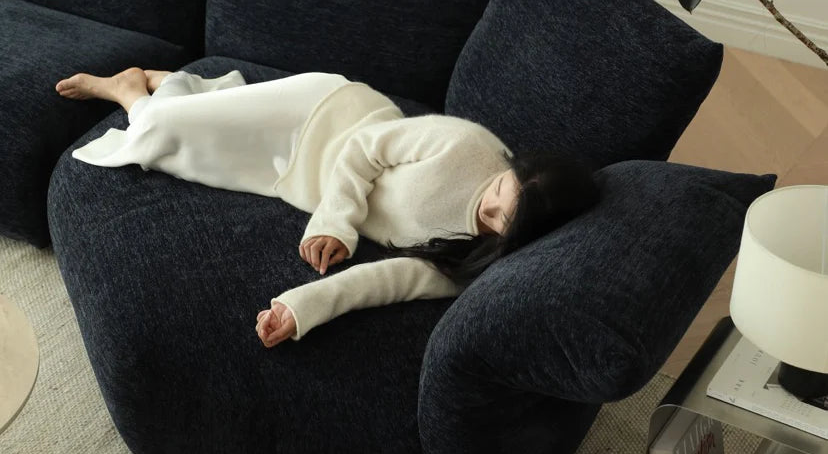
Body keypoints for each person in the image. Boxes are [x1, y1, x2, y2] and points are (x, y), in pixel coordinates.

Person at [55, 66, 601, 348]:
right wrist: (337, 224)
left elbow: (387, 281)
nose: (493, 211)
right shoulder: (469, 145)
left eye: (508, 221)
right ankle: (129, 92)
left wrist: (300, 309)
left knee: (176, 152)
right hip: (328, 116)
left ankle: (163, 86)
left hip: (296, 180)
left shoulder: (475, 262)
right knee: (160, 131)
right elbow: (366, 150)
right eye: (505, 190)